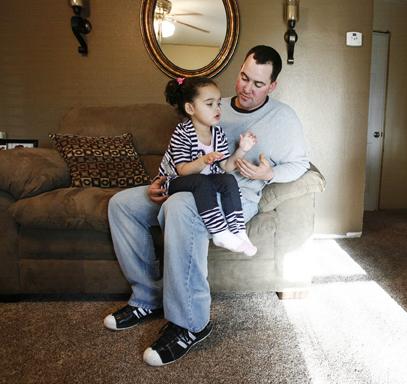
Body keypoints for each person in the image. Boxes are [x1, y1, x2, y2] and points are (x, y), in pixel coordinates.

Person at [104, 45, 309, 367]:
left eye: (257, 83)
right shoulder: (214, 105)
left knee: (180, 207)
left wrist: (270, 173)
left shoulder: (284, 118)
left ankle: (191, 323)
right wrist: (162, 178)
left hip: (232, 195)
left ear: (272, 86)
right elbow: (181, 149)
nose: (246, 88)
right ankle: (147, 296)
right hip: (190, 181)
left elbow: (300, 164)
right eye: (243, 77)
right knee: (122, 204)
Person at [159, 76, 257, 256]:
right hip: (174, 181)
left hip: (203, 179)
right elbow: (182, 170)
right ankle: (220, 232)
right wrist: (204, 160)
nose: (217, 109)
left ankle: (238, 231)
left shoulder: (217, 133)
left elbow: (227, 166)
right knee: (201, 182)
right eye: (209, 104)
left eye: (219, 103)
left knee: (227, 179)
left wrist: (242, 150)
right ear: (190, 108)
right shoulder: (182, 133)